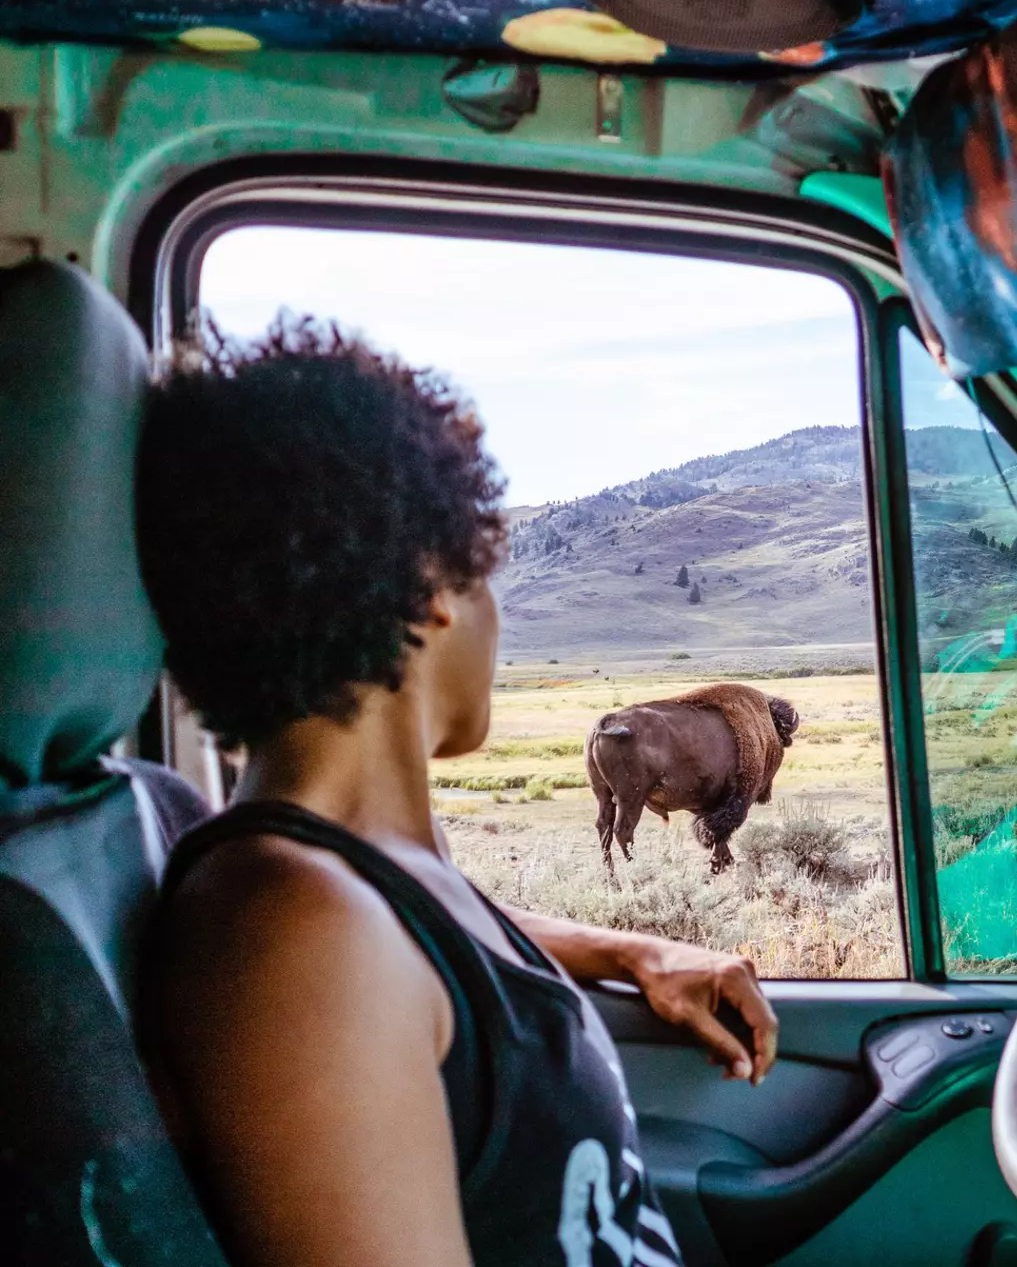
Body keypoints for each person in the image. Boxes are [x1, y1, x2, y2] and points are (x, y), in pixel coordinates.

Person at [135, 319, 774, 1267]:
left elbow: (419, 930)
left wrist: (628, 948)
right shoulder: (300, 939)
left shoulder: (358, 880)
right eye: (490, 577)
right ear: (433, 587)